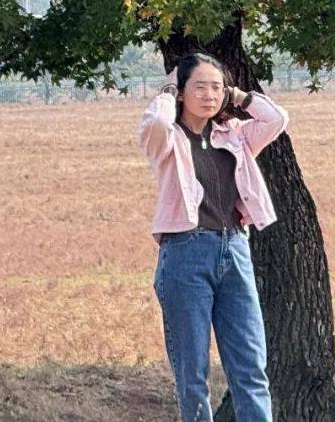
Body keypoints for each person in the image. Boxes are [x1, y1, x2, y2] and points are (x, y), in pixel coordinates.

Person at [138, 51, 289, 422]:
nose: (209, 95)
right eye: (200, 87)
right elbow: (156, 122)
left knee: (250, 366)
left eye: (216, 87)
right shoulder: (169, 140)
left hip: (235, 248)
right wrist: (167, 90)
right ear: (182, 92)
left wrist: (238, 96)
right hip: (185, 252)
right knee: (192, 373)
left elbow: (278, 118)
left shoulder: (235, 135)